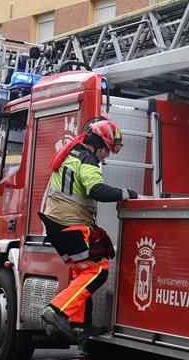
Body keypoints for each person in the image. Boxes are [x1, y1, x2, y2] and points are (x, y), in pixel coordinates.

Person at [39, 116, 138, 342]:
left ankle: (78, 324)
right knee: (98, 270)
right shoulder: (87, 160)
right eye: (106, 150)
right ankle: (57, 311)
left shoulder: (70, 154)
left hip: (56, 225)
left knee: (80, 271)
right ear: (97, 143)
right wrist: (130, 194)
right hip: (69, 224)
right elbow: (98, 191)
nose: (106, 156)